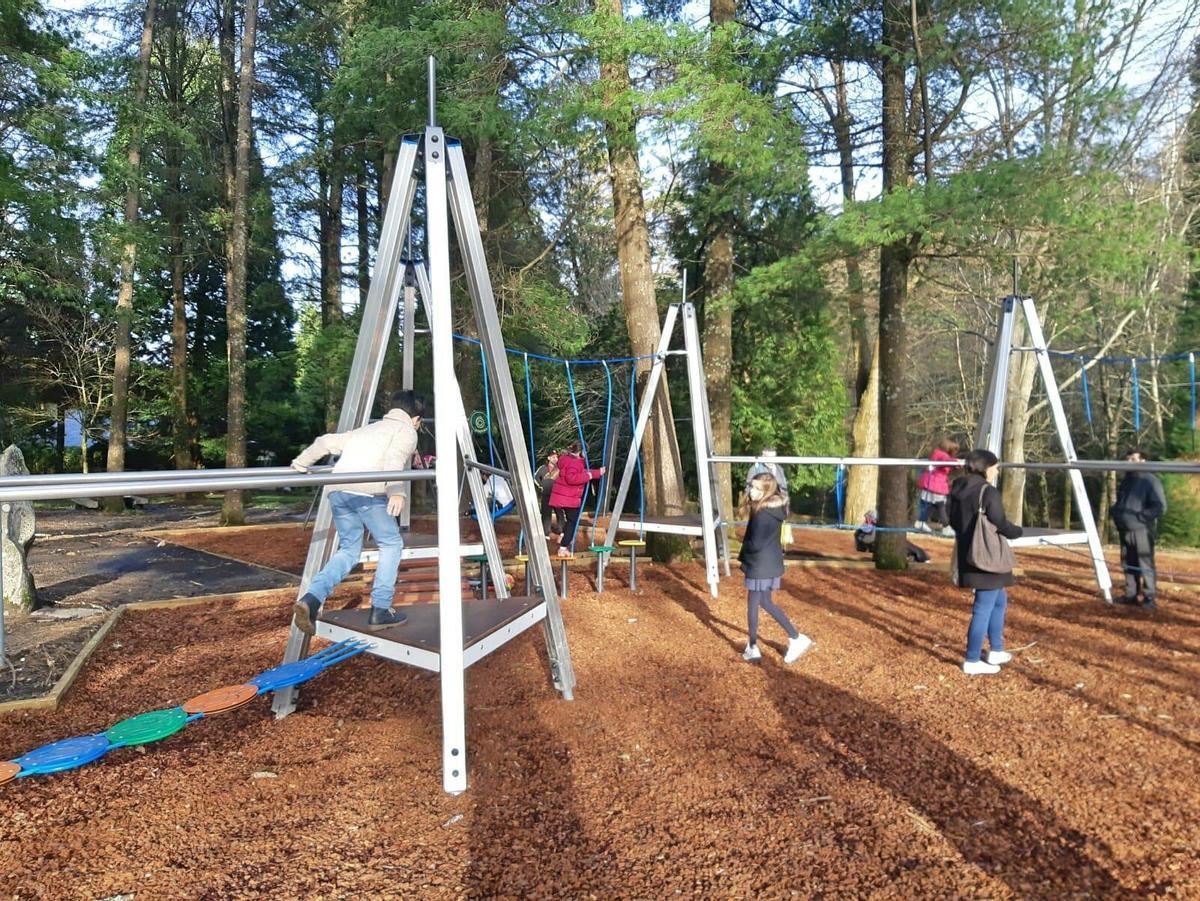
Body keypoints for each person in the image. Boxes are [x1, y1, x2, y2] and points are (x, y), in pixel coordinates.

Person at [289, 390, 424, 634]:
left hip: (338, 492)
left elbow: (325, 442)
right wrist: (397, 491)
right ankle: (380, 609)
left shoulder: (368, 429)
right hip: (367, 493)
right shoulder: (406, 431)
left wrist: (301, 463)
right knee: (391, 544)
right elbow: (394, 459)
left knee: (350, 550)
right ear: (416, 419)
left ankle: (311, 599)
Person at [949, 449, 1023, 675]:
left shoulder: (956, 489)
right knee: (983, 607)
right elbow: (1000, 521)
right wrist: (1017, 532)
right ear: (985, 467)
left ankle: (996, 649)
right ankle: (972, 659)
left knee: (999, 600)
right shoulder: (987, 491)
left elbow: (951, 520)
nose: (996, 470)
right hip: (987, 557)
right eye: (995, 466)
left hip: (967, 553)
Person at [738, 472, 813, 664]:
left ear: (767, 491)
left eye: (757, 488)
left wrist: (745, 549)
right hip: (768, 562)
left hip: (759, 564)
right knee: (764, 602)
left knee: (754, 604)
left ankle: (755, 646)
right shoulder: (772, 509)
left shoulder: (763, 514)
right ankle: (793, 638)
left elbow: (755, 543)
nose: (752, 492)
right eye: (751, 487)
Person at [1109, 448, 1167, 610]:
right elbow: (1122, 502)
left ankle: (1149, 597)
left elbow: (1159, 507)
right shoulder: (1127, 481)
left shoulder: (1150, 481)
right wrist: (1115, 512)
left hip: (1142, 530)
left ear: (1143, 461)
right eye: (1128, 459)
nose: (1129, 463)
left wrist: (1140, 518)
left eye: (1133, 459)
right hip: (1124, 530)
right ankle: (1131, 595)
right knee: (1128, 563)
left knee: (1145, 563)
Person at [547, 442, 604, 557]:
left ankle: (564, 536)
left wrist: (597, 472)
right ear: (581, 452)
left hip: (560, 497)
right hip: (568, 498)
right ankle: (563, 547)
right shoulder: (575, 463)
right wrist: (590, 476)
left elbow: (581, 472)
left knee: (569, 520)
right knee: (573, 521)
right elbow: (572, 478)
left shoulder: (566, 460)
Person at [915, 435, 960, 535]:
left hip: (932, 484)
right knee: (940, 506)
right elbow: (948, 462)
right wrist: (958, 463)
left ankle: (921, 521)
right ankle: (946, 526)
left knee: (930, 506)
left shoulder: (937, 454)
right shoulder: (941, 455)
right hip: (934, 485)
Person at [854, 509, 930, 563]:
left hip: (880, 542)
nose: (867, 520)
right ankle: (921, 556)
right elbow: (867, 539)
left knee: (906, 545)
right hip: (881, 544)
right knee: (904, 544)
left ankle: (920, 556)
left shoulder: (863, 530)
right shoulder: (865, 530)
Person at [534, 450, 560, 538]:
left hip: (557, 494)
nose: (555, 459)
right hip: (546, 494)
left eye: (556, 457)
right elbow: (535, 478)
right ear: (548, 458)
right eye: (553, 457)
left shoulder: (559, 468)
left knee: (560, 513)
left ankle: (561, 530)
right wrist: (541, 486)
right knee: (546, 514)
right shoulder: (542, 468)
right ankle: (546, 532)